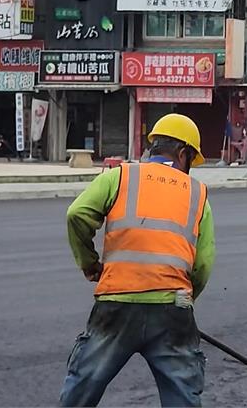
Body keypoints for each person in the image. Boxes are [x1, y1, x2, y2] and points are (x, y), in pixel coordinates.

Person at [59, 113, 216, 407]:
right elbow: (204, 263)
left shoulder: (120, 176)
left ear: (152, 147)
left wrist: (90, 263)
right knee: (182, 393)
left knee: (83, 386)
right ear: (183, 154)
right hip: (172, 309)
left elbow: (76, 214)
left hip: (116, 304)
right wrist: (185, 296)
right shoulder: (197, 194)